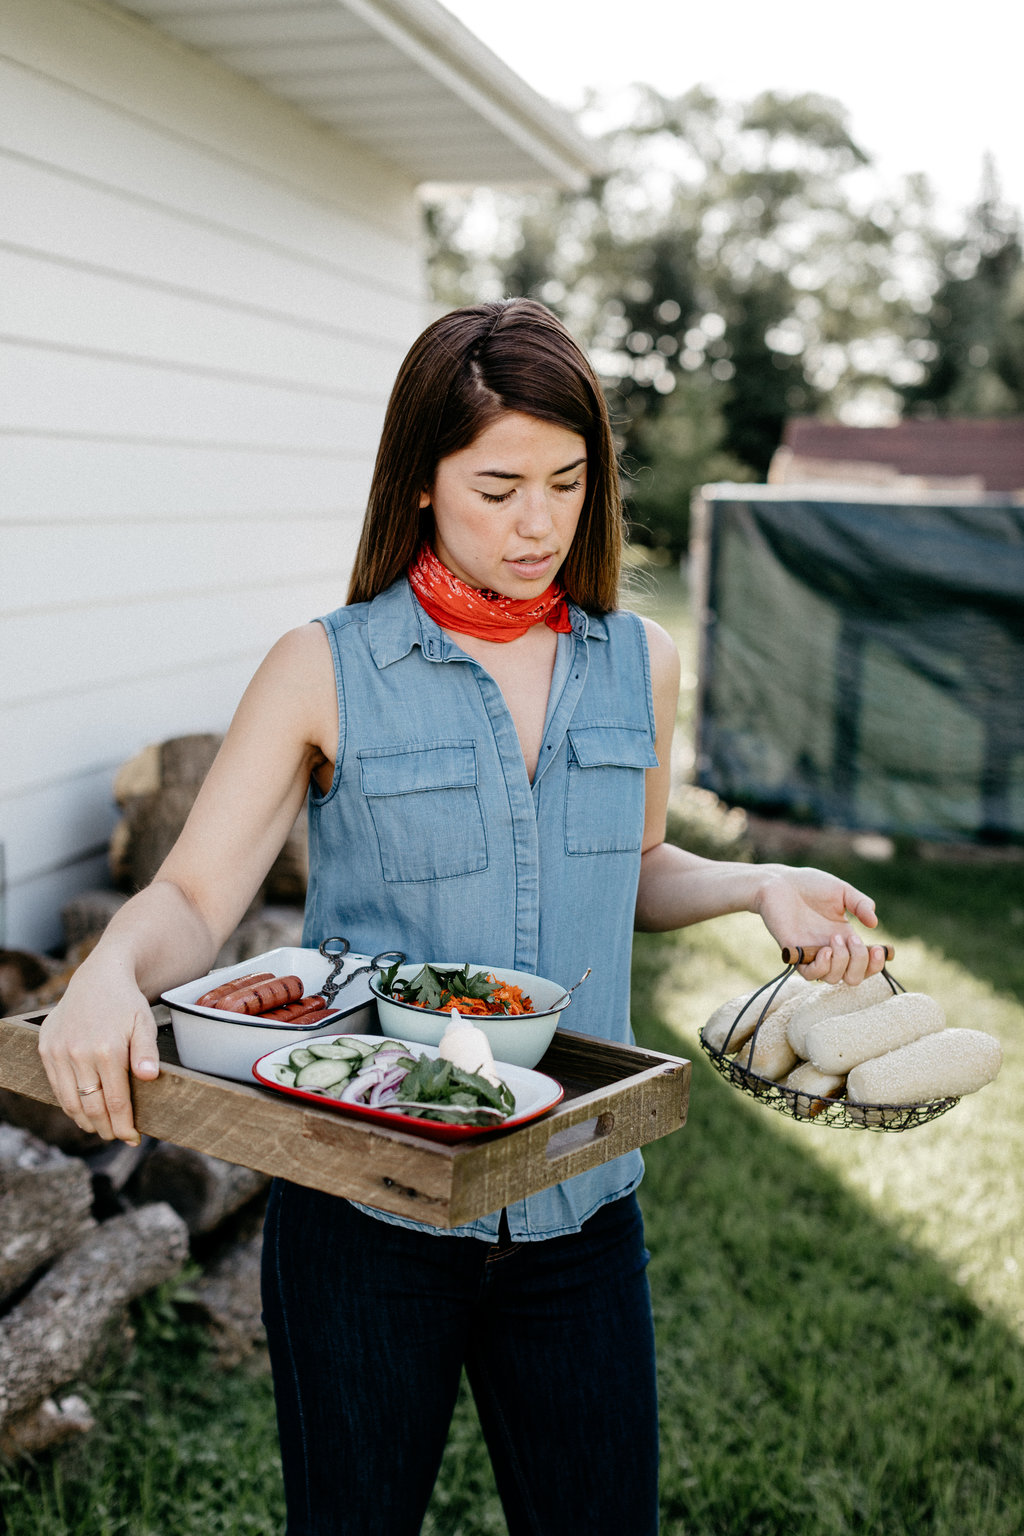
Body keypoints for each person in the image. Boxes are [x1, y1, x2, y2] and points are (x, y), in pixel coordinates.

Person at [38, 298, 887, 1535]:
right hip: (364, 1215)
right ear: (421, 483)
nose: (537, 522)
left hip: (580, 1206)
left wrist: (755, 885)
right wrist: (114, 971)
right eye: (497, 487)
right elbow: (191, 894)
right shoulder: (323, 666)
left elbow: (633, 865)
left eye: (566, 481)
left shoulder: (639, 660)